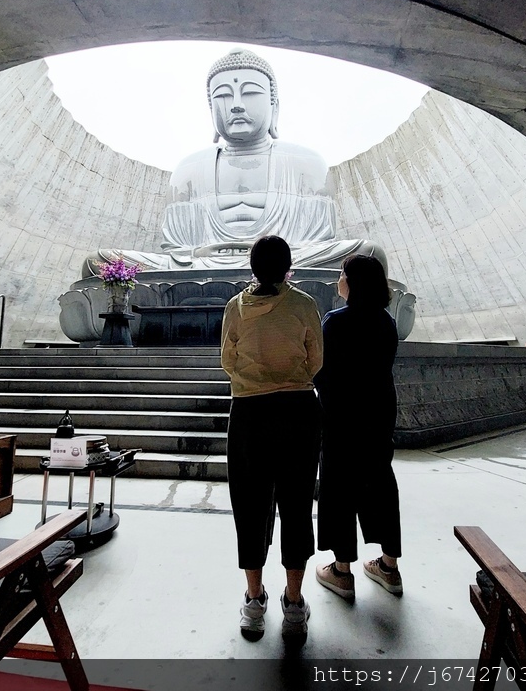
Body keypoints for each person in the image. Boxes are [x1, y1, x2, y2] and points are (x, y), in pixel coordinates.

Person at [83, 47, 385, 274]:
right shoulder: (189, 169)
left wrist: (275, 259)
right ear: (210, 108)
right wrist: (207, 255)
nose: (237, 105)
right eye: (223, 96)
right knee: (98, 262)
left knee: (368, 255)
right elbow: (177, 251)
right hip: (204, 267)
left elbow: (317, 245)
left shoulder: (307, 164)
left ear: (273, 105)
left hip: (287, 267)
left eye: (250, 93)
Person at [220, 235, 323, 644]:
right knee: (296, 503)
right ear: (288, 267)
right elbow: (316, 359)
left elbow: (227, 360)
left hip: (249, 412)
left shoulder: (235, 308)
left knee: (250, 503)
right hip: (299, 410)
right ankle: (294, 604)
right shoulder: (304, 305)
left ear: (251, 266)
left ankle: (253, 599)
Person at [314, 254, 403, 600]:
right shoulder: (386, 323)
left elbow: (321, 370)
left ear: (351, 283)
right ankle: (389, 566)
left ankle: (341, 570)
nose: (339, 280)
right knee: (381, 480)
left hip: (341, 415)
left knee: (338, 486)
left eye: (342, 274)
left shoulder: (335, 322)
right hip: (379, 412)